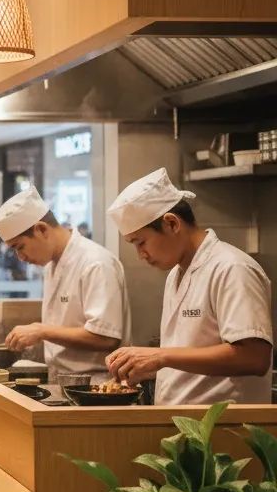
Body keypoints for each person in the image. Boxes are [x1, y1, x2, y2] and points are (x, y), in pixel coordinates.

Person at [105, 168, 272, 405]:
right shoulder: (176, 273)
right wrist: (146, 367)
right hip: (180, 420)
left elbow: (254, 358)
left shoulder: (231, 268)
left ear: (172, 223)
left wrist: (160, 356)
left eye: (141, 242)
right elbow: (187, 357)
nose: (141, 254)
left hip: (222, 424)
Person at [0, 186, 129, 382]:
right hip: (62, 379)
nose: (20, 257)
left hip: (96, 385)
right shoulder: (51, 266)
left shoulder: (95, 263)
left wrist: (41, 331)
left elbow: (106, 338)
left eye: (20, 247)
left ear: (41, 229)